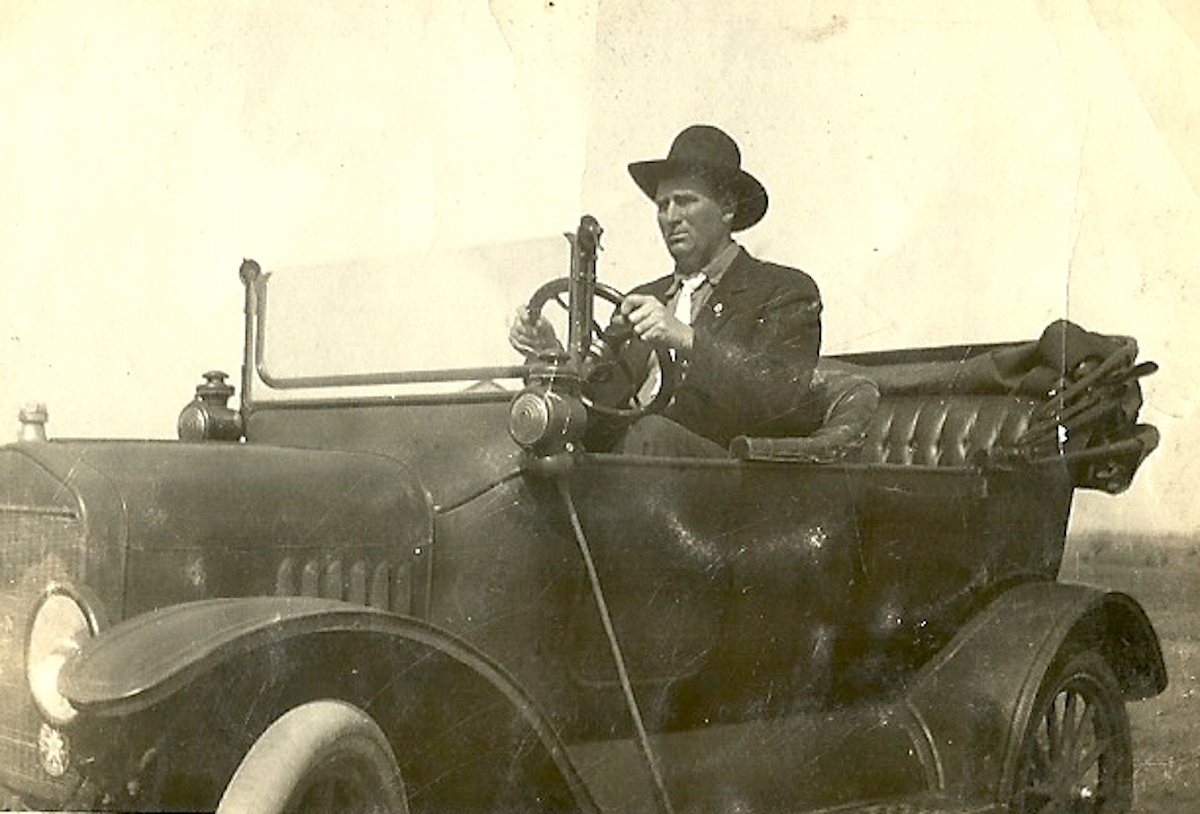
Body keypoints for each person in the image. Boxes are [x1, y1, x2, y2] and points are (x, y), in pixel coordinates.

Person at [510, 124, 824, 456]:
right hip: (637, 473)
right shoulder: (643, 298)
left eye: (686, 201)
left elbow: (781, 394)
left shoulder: (784, 290)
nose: (670, 216)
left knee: (651, 434)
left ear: (728, 207)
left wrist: (687, 339)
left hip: (729, 480)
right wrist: (550, 354)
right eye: (663, 205)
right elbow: (598, 407)